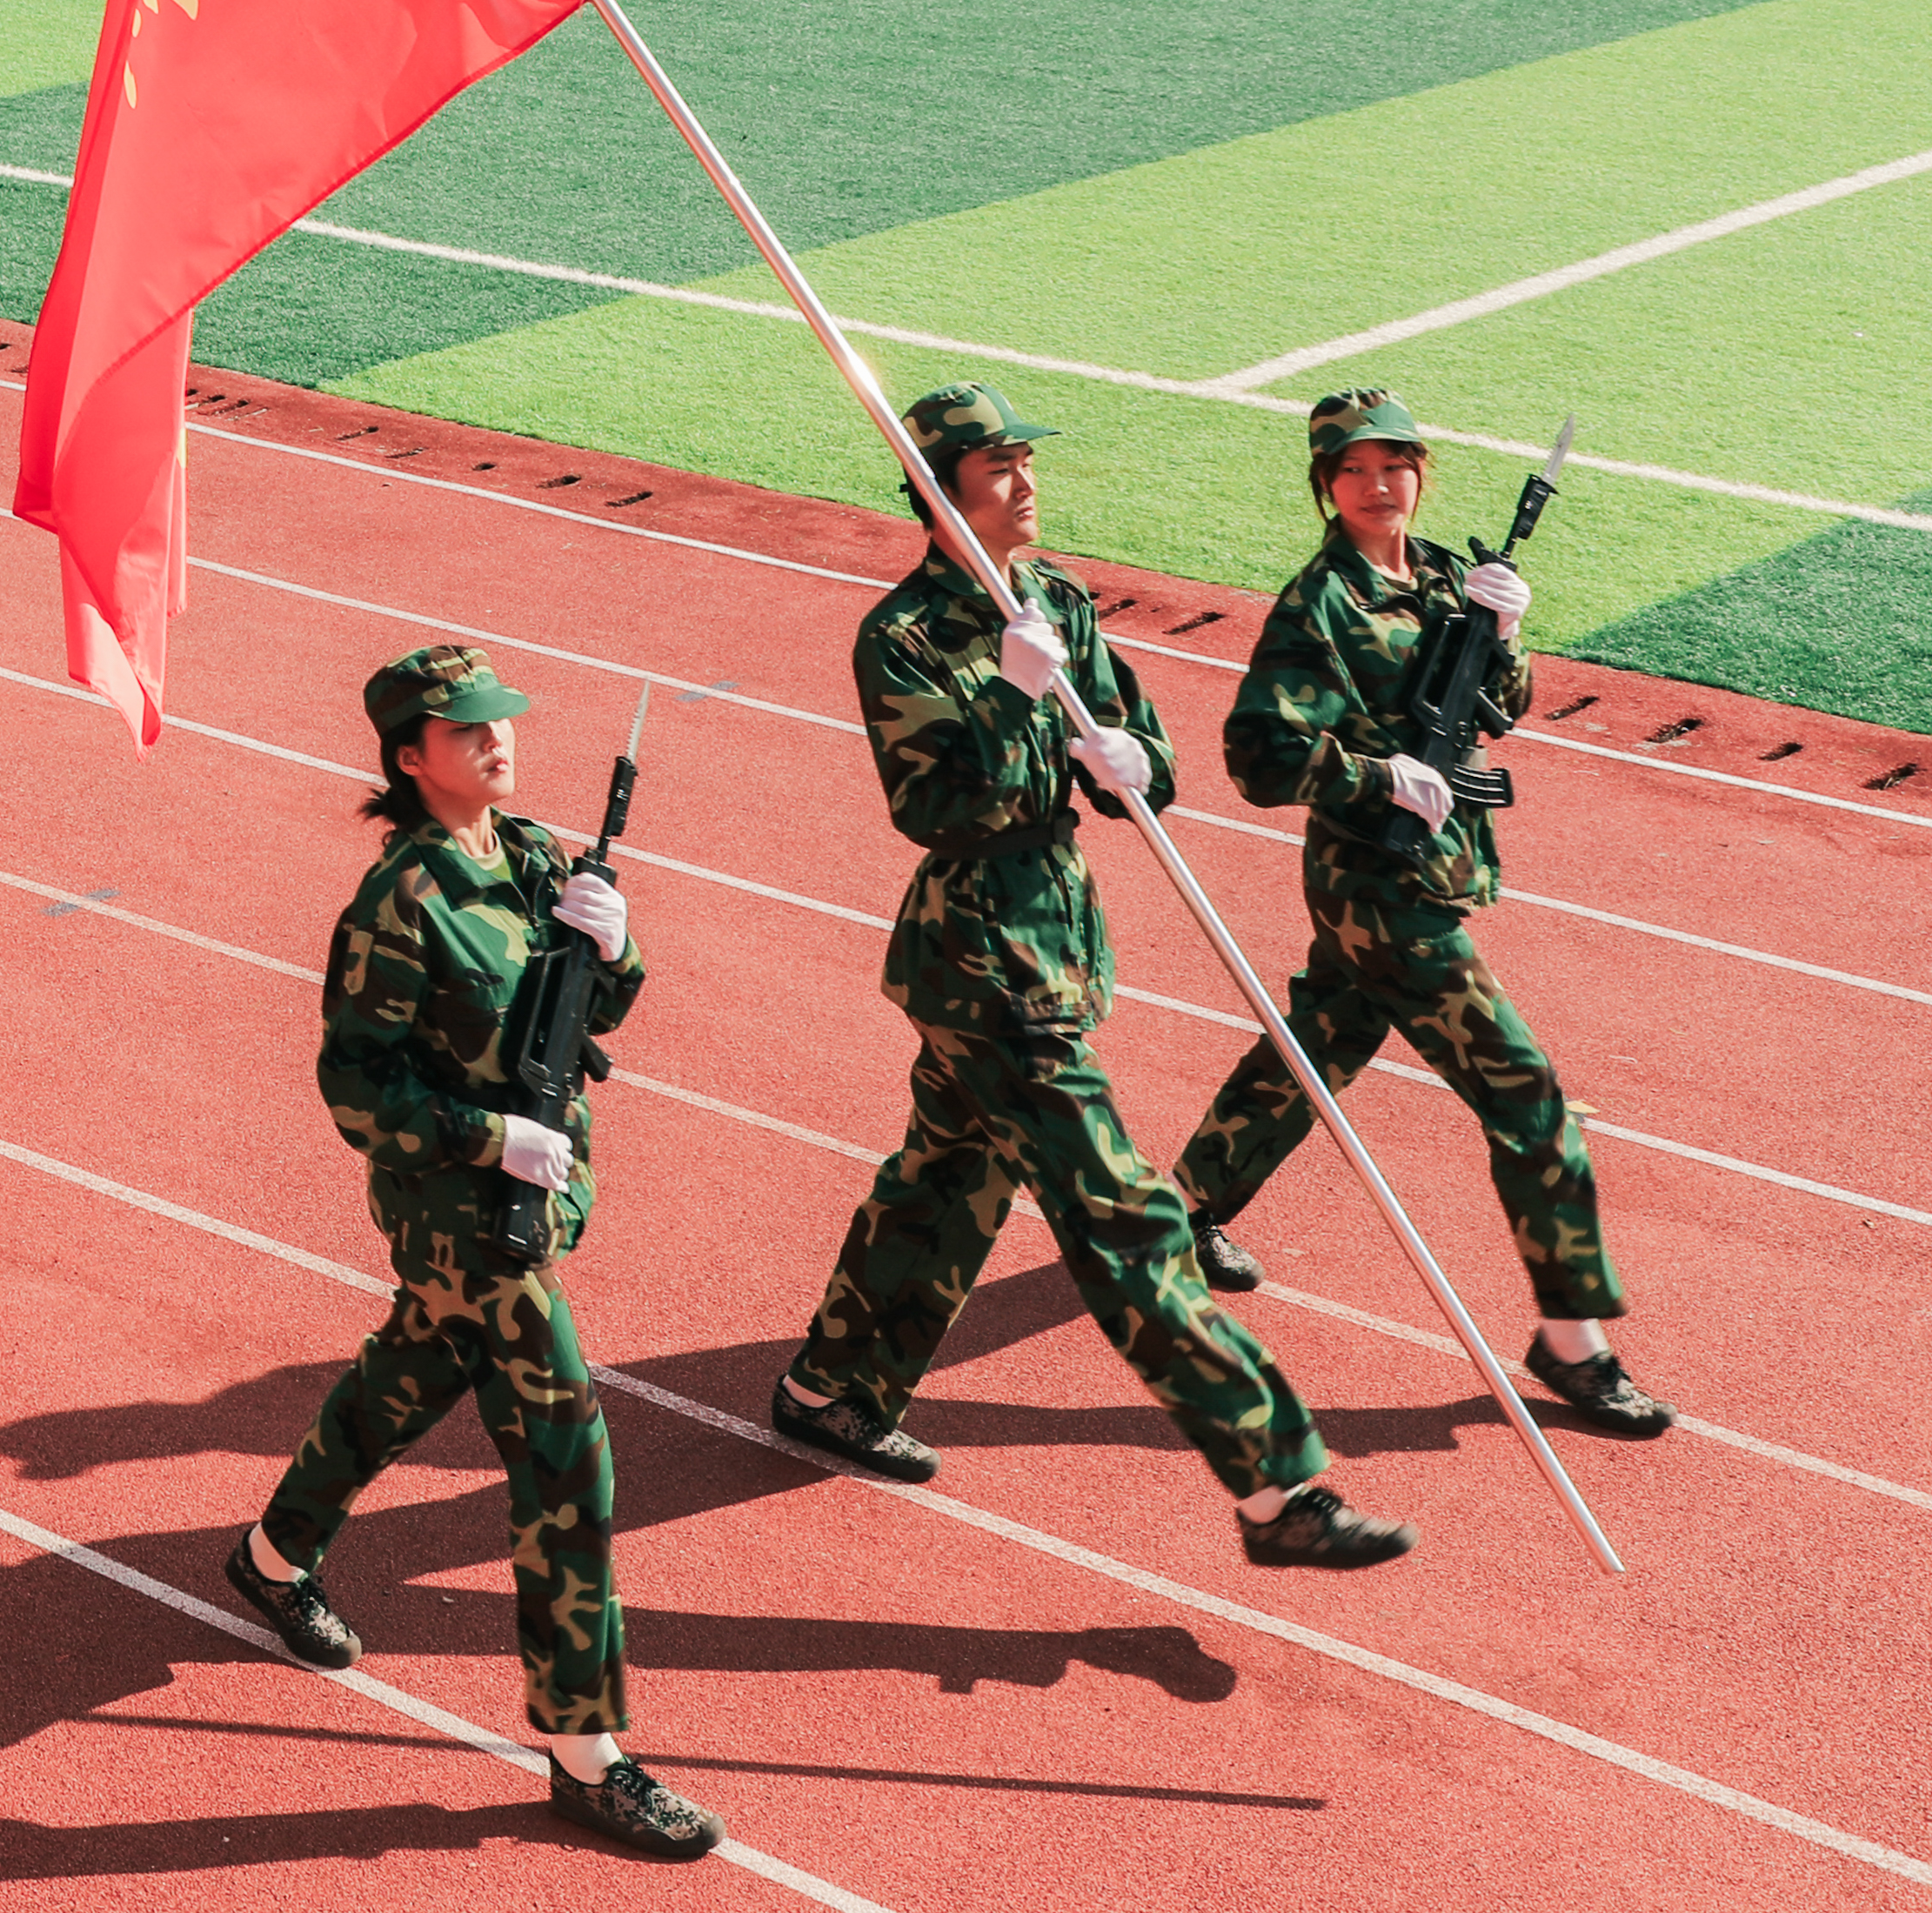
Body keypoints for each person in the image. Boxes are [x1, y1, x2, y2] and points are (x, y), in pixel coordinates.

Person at [769, 385, 1414, 1568]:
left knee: (946, 1176)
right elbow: (933, 806)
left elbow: (1144, 753)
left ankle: (828, 1384)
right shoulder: (902, 635)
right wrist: (1015, 701)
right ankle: (1278, 1484)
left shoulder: (1055, 595)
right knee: (1122, 1220)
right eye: (996, 467)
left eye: (1022, 460)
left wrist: (1127, 764)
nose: (1021, 481)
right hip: (979, 959)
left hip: (1051, 944)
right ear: (938, 489)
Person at [231, 644, 716, 1864]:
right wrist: (481, 1133)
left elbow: (587, 1011)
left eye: (496, 721)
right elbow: (352, 1083)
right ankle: (583, 1750)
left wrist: (616, 943)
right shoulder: (400, 899)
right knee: (566, 1462)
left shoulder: (544, 853)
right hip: (457, 1211)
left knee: (409, 1370)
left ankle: (272, 1553)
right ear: (409, 757)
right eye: (462, 729)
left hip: (525, 1195)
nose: (493, 739)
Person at [1166, 391, 1670, 1438]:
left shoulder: (1444, 574)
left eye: (1395, 462)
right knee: (1528, 1103)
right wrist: (1376, 775)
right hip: (1375, 885)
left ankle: (1180, 1214)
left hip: (1430, 869)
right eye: (1354, 468)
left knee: (1320, 1047)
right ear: (1327, 486)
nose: (1378, 481)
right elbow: (1259, 756)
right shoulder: (1319, 608)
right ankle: (1572, 1337)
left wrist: (1508, 628)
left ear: (1420, 474)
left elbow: (1499, 707)